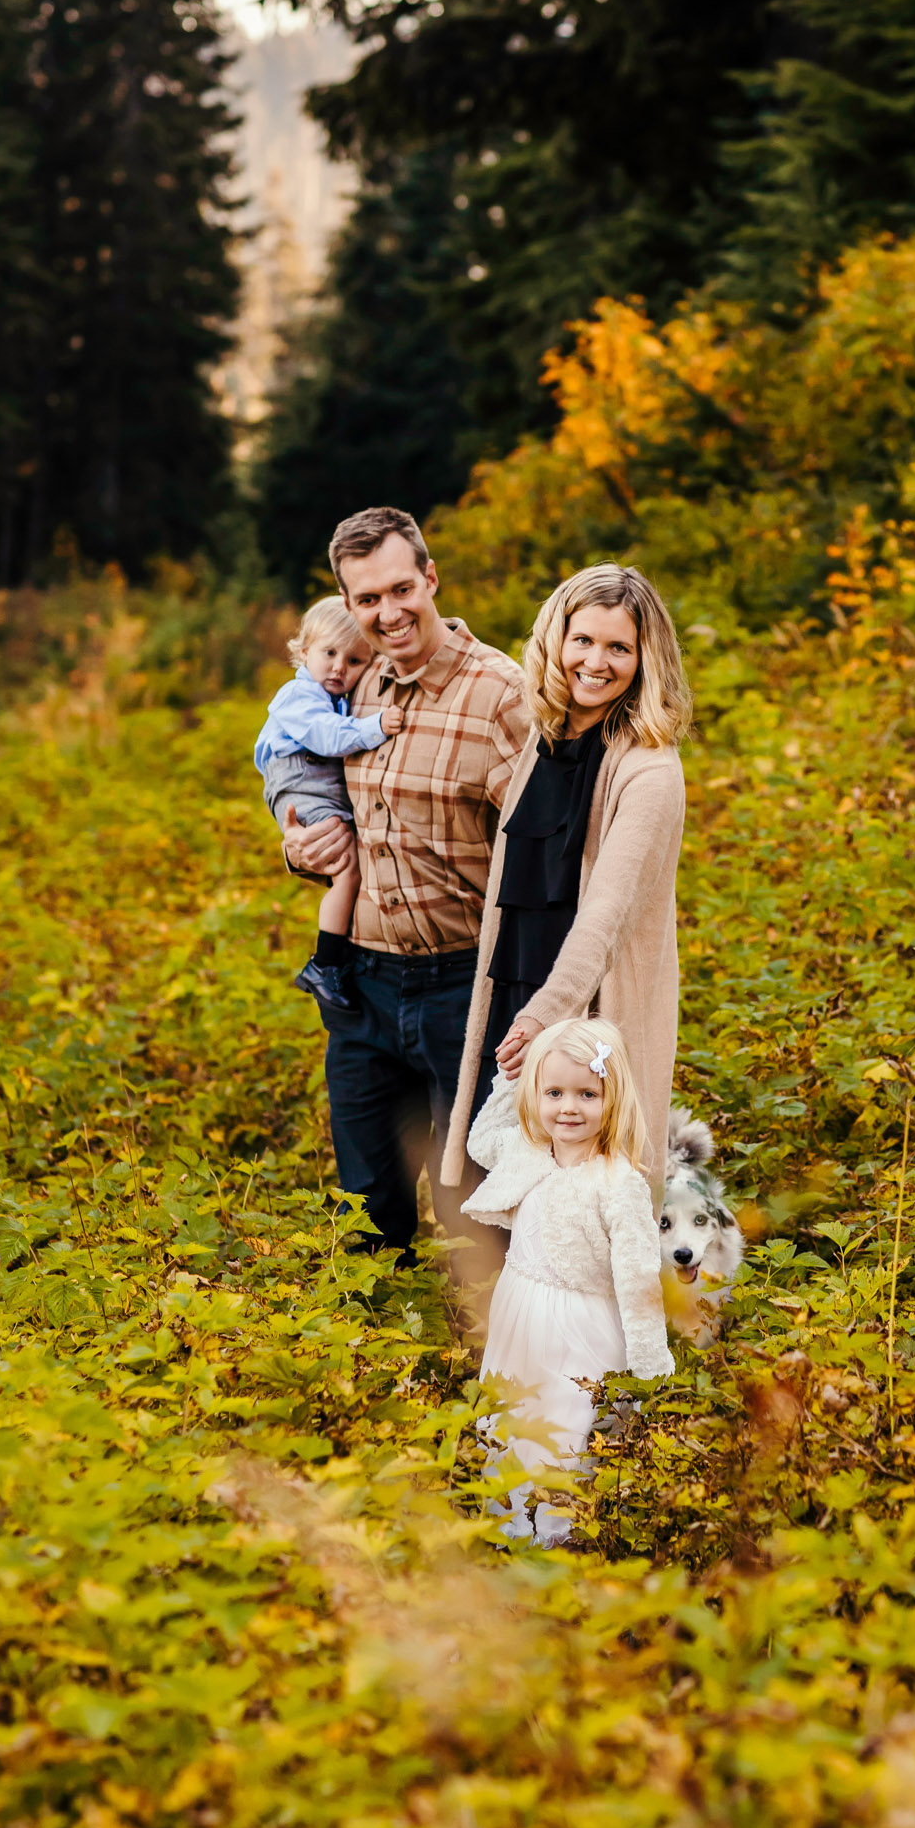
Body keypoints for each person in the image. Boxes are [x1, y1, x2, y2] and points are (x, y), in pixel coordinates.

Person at [280, 505, 531, 1262]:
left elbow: (555, 858)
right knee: (365, 1211)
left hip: (468, 989)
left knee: (475, 1219)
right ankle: (368, 1368)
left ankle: (485, 1376)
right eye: (366, 600)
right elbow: (300, 779)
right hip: (361, 983)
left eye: (400, 590)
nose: (387, 614)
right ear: (348, 605)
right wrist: (299, 843)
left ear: (430, 578)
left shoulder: (503, 696)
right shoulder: (348, 687)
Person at [439, 562, 691, 1205]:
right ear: (557, 640)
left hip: (586, 1010)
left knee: (583, 1205)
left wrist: (547, 1016)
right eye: (583, 640)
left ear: (646, 658)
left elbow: (605, 913)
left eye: (618, 647)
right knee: (505, 1196)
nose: (596, 662)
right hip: (516, 994)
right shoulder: (542, 741)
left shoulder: (649, 769)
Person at [464, 1017, 673, 1544]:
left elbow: (639, 1278)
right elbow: (481, 1140)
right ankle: (510, 1528)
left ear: (612, 1098)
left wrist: (650, 1363)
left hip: (582, 1327)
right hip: (520, 1314)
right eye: (553, 1092)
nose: (568, 1108)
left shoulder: (618, 1183)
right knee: (514, 1418)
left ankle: (561, 1537)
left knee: (566, 1429)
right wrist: (509, 1079)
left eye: (586, 1093)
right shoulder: (527, 1154)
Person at [254, 596, 405, 1016]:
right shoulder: (297, 696)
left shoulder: (332, 694)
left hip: (313, 779)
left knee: (349, 861)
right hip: (301, 778)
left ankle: (334, 957)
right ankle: (327, 961)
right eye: (329, 653)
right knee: (348, 870)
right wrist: (376, 726)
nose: (340, 667)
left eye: (355, 660)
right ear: (304, 653)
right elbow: (327, 736)